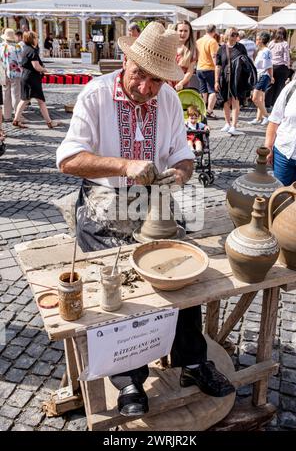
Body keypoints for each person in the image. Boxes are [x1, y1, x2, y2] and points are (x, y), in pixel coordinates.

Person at [56, 21, 235, 418]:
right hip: (103, 201)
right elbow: (68, 160)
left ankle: (191, 361)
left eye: (157, 80)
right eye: (141, 76)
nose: (147, 88)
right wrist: (124, 165)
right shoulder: (96, 94)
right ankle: (129, 377)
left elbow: (183, 156)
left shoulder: (168, 99)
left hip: (152, 202)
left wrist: (181, 174)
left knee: (180, 267)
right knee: (120, 281)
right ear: (126, 61)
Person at [13, 31, 60, 129]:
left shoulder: (25, 49)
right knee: (41, 101)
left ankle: (16, 120)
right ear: (32, 39)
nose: (37, 39)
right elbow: (36, 66)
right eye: (36, 38)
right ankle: (49, 122)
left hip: (26, 77)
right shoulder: (32, 51)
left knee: (24, 99)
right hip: (32, 78)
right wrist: (46, 70)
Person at [264, 58, 296, 185]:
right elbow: (274, 120)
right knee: (280, 195)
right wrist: (268, 147)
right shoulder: (291, 89)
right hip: (283, 153)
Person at [215, 27, 250, 136]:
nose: (235, 36)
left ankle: (234, 125)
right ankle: (227, 123)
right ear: (226, 35)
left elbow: (246, 62)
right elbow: (218, 65)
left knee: (235, 100)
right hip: (224, 78)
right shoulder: (221, 49)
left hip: (237, 79)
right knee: (225, 101)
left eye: (236, 34)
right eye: (232, 34)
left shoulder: (241, 47)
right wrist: (216, 80)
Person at [248, 31, 273, 126]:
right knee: (260, 99)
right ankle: (258, 118)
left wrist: (271, 76)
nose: (256, 41)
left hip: (263, 75)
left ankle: (266, 116)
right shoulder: (261, 51)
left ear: (262, 40)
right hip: (260, 75)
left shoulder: (266, 51)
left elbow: (269, 65)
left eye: (257, 39)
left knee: (255, 98)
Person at [196, 24, 219, 119]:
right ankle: (209, 110)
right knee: (213, 91)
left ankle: (202, 110)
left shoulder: (198, 41)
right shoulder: (212, 41)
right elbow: (214, 56)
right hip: (210, 68)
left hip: (199, 68)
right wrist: (217, 67)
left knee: (203, 90)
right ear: (214, 31)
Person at [0, 28, 22, 122]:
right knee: (16, 95)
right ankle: (17, 116)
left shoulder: (1, 46)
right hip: (14, 73)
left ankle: (7, 115)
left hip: (3, 73)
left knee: (5, 94)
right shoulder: (16, 47)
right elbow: (21, 61)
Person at [265, 27, 290, 109]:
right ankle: (274, 104)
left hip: (271, 66)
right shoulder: (285, 44)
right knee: (279, 86)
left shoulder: (271, 43)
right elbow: (286, 58)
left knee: (270, 85)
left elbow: (267, 54)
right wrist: (288, 67)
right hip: (281, 67)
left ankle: (267, 104)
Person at [174, 20, 197, 92]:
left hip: (181, 86)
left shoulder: (193, 50)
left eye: (186, 31)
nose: (183, 33)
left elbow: (190, 71)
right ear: (176, 31)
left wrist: (181, 83)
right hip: (166, 82)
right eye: (180, 30)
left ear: (190, 32)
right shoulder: (169, 46)